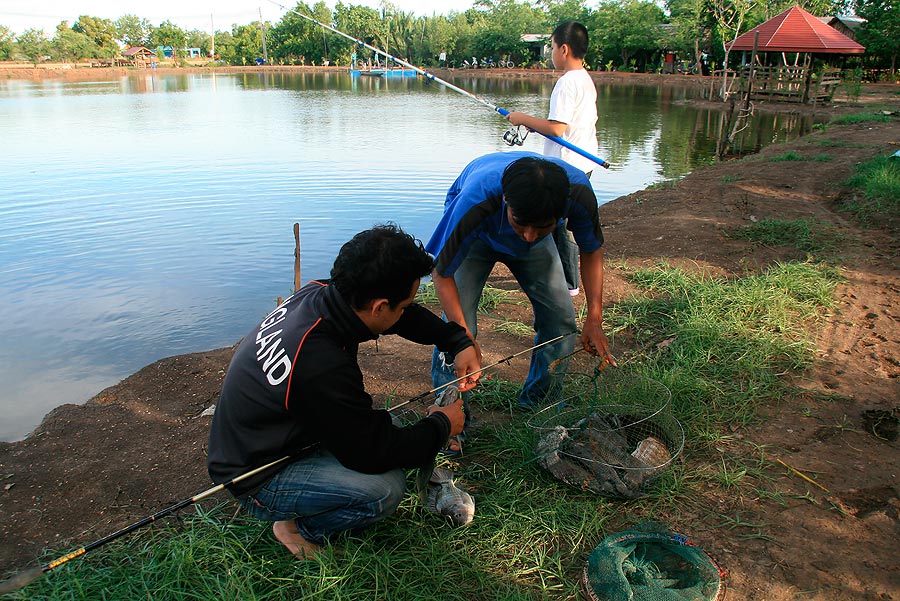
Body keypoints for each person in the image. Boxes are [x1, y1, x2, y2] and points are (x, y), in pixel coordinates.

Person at [207, 225, 480, 559]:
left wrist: (456, 340)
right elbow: (371, 452)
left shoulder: (325, 293)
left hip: (270, 434)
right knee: (384, 488)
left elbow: (403, 319)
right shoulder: (320, 364)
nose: (406, 310)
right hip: (258, 472)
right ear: (380, 307)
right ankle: (295, 529)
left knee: (388, 429)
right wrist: (441, 426)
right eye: (403, 304)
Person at [427, 152, 617, 452]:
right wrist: (462, 337)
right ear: (505, 201)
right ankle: (450, 419)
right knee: (456, 332)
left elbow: (591, 250)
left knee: (561, 322)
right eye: (522, 224)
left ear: (560, 212)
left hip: (533, 228)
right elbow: (441, 272)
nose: (528, 236)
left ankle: (540, 404)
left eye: (541, 226)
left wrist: (594, 317)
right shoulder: (476, 198)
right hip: (478, 236)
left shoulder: (578, 192)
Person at [505, 21, 599, 297]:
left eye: (554, 48)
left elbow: (558, 128)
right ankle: (564, 279)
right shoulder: (584, 78)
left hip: (568, 165)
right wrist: (536, 125)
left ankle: (568, 284)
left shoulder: (567, 82)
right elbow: (564, 125)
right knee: (564, 222)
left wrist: (521, 118)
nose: (552, 53)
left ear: (565, 49)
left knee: (560, 225)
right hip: (584, 162)